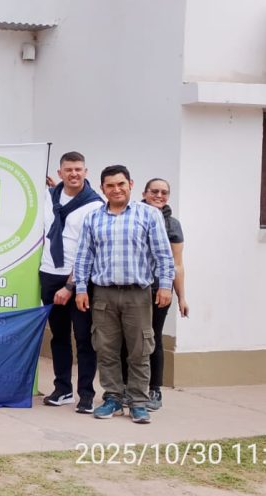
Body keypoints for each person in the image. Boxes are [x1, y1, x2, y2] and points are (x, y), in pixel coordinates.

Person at [73, 165, 175, 425]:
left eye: (121, 184)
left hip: (138, 295)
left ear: (130, 184)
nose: (116, 189)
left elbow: (164, 255)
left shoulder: (149, 215)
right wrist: (81, 289)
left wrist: (165, 286)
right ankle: (113, 398)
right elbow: (84, 258)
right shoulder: (93, 219)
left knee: (140, 349)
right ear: (102, 188)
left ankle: (138, 402)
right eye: (110, 185)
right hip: (104, 295)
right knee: (106, 349)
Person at [38, 151, 102, 414]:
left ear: (86, 172)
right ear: (60, 172)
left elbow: (92, 249)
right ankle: (62, 389)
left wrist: (70, 286)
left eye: (79, 169)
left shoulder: (95, 205)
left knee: (84, 338)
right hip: (49, 273)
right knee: (59, 337)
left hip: (79, 279)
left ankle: (85, 394)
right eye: (69, 169)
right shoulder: (48, 196)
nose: (74, 174)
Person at [120, 178, 189, 411]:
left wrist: (181, 296)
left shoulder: (172, 225)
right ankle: (126, 387)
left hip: (159, 291)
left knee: (153, 339)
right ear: (144, 193)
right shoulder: (131, 216)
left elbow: (177, 264)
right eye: (154, 191)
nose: (159, 195)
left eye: (164, 192)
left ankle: (153, 389)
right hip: (132, 289)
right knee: (127, 339)